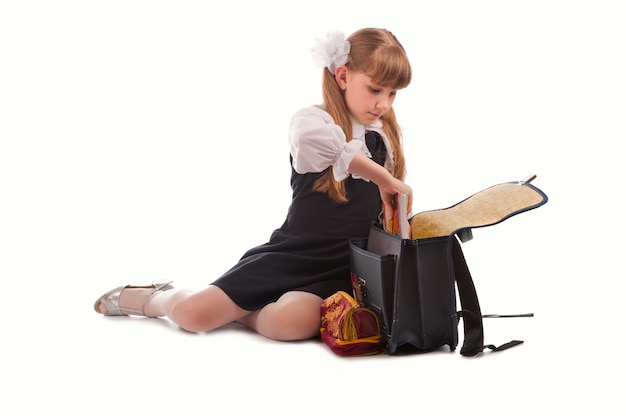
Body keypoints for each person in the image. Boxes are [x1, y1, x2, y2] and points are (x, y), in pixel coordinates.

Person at [94, 28, 413, 342]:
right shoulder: (314, 122)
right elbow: (316, 143)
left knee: (290, 322)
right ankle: (156, 297)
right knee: (195, 315)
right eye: (375, 90)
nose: (384, 103)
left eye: (392, 93)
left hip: (350, 268)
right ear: (343, 76)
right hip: (295, 254)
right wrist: (382, 177)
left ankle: (242, 311)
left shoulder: (385, 135)